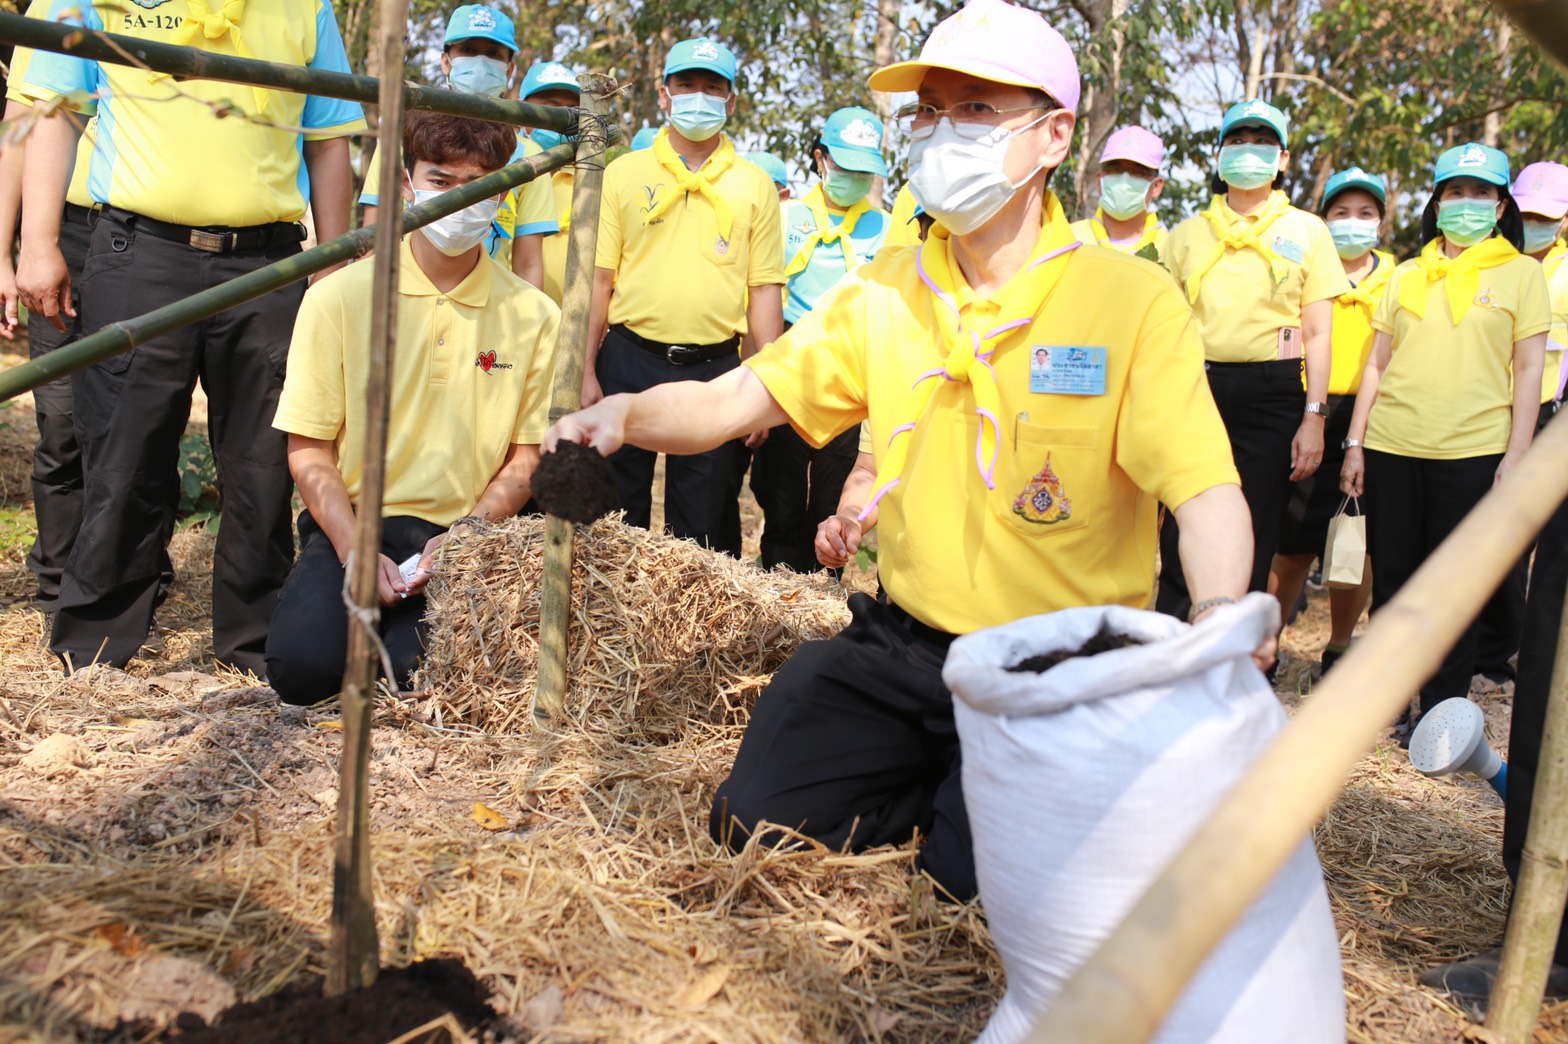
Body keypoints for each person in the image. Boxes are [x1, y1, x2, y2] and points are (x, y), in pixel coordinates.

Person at [547, 0, 1262, 900]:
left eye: (973, 110)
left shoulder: (1131, 303)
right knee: (754, 815)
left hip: (1059, 667)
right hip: (911, 644)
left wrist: (1222, 614)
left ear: (1053, 136)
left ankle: (1000, 808)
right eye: (927, 114)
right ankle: (948, 783)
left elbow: (1204, 493)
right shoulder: (887, 291)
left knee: (970, 889)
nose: (939, 135)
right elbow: (737, 396)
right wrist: (620, 415)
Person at [15, 0, 364, 676]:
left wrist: (334, 263)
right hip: (140, 250)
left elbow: (328, 139)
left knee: (263, 460)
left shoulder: (305, 7)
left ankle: (255, 640)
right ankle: (96, 641)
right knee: (123, 449)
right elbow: (54, 113)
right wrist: (38, 243)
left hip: (270, 263)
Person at [266, 110, 559, 704]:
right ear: (406, 183)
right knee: (300, 669)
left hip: (466, 532)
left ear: (502, 195)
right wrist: (352, 548)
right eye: (440, 180)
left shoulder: (535, 316)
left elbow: (527, 459)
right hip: (354, 521)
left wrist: (466, 539)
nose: (457, 201)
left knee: (423, 675)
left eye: (477, 184)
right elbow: (309, 452)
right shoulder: (338, 298)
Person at [1340, 143, 1548, 734]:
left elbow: (1529, 369)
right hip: (1393, 446)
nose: (1467, 204)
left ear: (1501, 204)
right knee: (1396, 582)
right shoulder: (1405, 273)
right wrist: (1355, 444)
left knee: (1454, 589)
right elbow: (1377, 364)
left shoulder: (1522, 273)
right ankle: (1387, 699)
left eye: (1481, 193)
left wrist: (1519, 454)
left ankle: (1438, 714)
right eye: (1455, 192)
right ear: (1437, 201)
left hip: (1474, 451)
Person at [582, 37, 785, 557]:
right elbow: (599, 280)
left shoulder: (754, 184)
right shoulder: (624, 173)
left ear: (732, 101)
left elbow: (763, 290)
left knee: (703, 530)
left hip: (716, 370)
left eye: (713, 87)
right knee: (611, 519)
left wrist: (765, 385)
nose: (700, 96)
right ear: (666, 95)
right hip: (627, 359)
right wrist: (585, 369)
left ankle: (695, 639)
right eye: (687, 85)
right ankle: (609, 627)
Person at [1156, 99, 1347, 623]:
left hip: (1274, 391)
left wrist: (1315, 416)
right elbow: (1166, 324)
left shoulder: (1308, 231)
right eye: (1237, 141)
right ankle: (1174, 647)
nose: (1248, 151)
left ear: (1282, 158)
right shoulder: (1188, 233)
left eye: (1262, 142)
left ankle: (1245, 657)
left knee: (1260, 525)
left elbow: (1319, 332)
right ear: (1218, 157)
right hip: (1198, 388)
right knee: (1183, 517)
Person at [751, 107, 889, 573]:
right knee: (780, 491)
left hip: (852, 365)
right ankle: (776, 585)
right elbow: (760, 293)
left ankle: (824, 592)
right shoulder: (783, 217)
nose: (851, 177)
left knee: (836, 492)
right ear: (820, 158)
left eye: (862, 171)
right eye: (843, 166)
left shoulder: (885, 230)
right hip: (790, 356)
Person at [1269, 166, 1393, 676]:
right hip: (1308, 412)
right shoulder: (1302, 270)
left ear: (1381, 223)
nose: (1352, 222)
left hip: (1370, 418)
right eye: (1340, 212)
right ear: (1323, 221)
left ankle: (1340, 645)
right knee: (1291, 545)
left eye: (1364, 213)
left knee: (1352, 545)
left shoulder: (1398, 277)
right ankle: (1266, 646)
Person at [357, 5, 559, 290]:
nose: (480, 62)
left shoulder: (531, 156)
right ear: (446, 62)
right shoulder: (401, 137)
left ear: (509, 68)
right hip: (402, 294)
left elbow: (528, 263)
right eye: (468, 49)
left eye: (493, 54)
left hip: (489, 305)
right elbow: (372, 237)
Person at [1472, 161, 1568, 688]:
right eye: (1526, 211)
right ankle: (1480, 648)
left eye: (1545, 215)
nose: (1535, 223)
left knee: (1531, 538)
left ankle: (1501, 657)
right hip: (1486, 409)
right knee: (1492, 534)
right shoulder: (1491, 263)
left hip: (1550, 415)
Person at [516, 60, 581, 305]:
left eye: (572, 110)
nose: (563, 117)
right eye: (551, 107)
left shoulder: (592, 181)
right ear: (522, 109)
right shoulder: (501, 168)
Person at [1069, 125, 1169, 262]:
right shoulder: (1070, 239)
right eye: (1115, 170)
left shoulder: (1169, 250)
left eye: (1138, 172)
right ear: (1099, 180)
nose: (1124, 181)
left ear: (1157, 186)